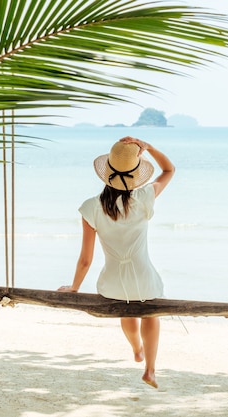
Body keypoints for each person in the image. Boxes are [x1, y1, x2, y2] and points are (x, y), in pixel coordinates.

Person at [58, 136, 175, 389]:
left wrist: (74, 288)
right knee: (150, 313)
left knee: (126, 306)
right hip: (145, 279)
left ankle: (136, 349)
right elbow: (169, 170)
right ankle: (151, 370)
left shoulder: (91, 207)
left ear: (107, 173)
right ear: (137, 173)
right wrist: (150, 147)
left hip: (111, 285)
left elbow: (85, 260)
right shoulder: (145, 197)